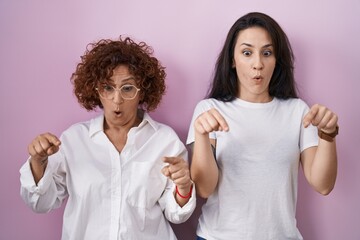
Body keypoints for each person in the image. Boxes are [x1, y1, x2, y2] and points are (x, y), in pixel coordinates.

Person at [20, 36, 196, 240]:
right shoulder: (74, 139)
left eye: (128, 88)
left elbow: (176, 214)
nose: (117, 99)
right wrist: (38, 161)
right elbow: (41, 203)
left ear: (143, 91)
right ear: (95, 90)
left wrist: (183, 187)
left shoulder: (165, 140)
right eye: (108, 87)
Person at [187, 12, 338, 240]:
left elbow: (323, 185)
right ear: (233, 60)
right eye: (247, 53)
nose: (257, 64)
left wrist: (328, 135)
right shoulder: (209, 110)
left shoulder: (297, 111)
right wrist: (201, 134)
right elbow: (204, 188)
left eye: (267, 53)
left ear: (277, 61)